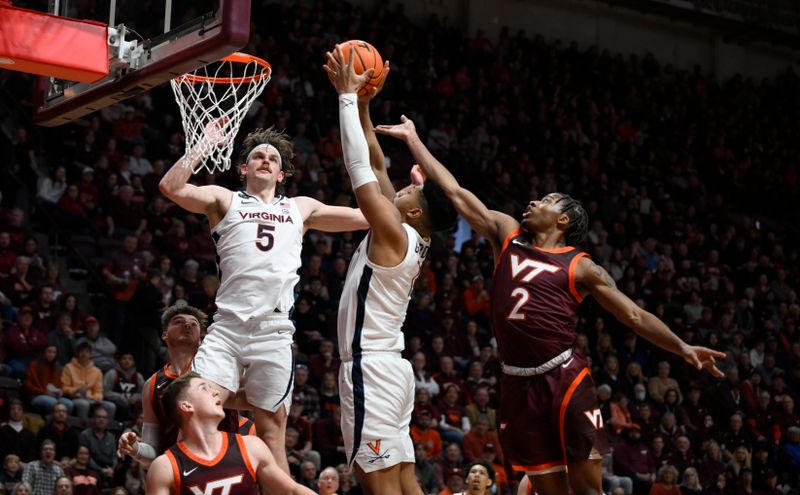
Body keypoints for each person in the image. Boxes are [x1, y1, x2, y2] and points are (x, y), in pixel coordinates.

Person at [374, 115, 726, 495]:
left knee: (589, 488)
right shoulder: (507, 234)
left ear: (562, 219)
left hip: (566, 377)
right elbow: (456, 193)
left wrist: (683, 347)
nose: (533, 201)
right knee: (547, 491)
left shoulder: (582, 266)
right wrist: (413, 139)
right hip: (516, 382)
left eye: (545, 201)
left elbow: (634, 314)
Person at [159, 89, 368, 475]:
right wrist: (204, 143)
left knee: (272, 435)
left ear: (282, 173)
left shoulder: (299, 208)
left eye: (273, 158)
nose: (265, 160)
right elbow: (171, 187)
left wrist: (397, 196)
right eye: (258, 155)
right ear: (243, 168)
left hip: (273, 331)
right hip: (226, 328)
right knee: (194, 413)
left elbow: (366, 216)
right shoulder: (225, 200)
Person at [325, 47, 457, 495]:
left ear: (416, 213)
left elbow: (359, 169)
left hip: (371, 371)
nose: (399, 191)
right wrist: (365, 106)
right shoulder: (410, 235)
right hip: (392, 371)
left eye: (407, 196)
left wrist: (345, 96)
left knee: (380, 485)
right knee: (404, 480)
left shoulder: (394, 233)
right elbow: (379, 163)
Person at [145, 371, 318, 495]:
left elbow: (291, 491)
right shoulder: (165, 467)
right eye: (204, 388)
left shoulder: (251, 446)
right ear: (186, 406)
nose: (215, 391)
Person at [117, 304, 242, 465]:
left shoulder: (217, 369)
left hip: (225, 464)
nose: (187, 325)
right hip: (182, 472)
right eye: (178, 321)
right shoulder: (152, 384)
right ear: (164, 335)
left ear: (200, 339)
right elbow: (153, 450)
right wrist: (136, 449)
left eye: (194, 323)